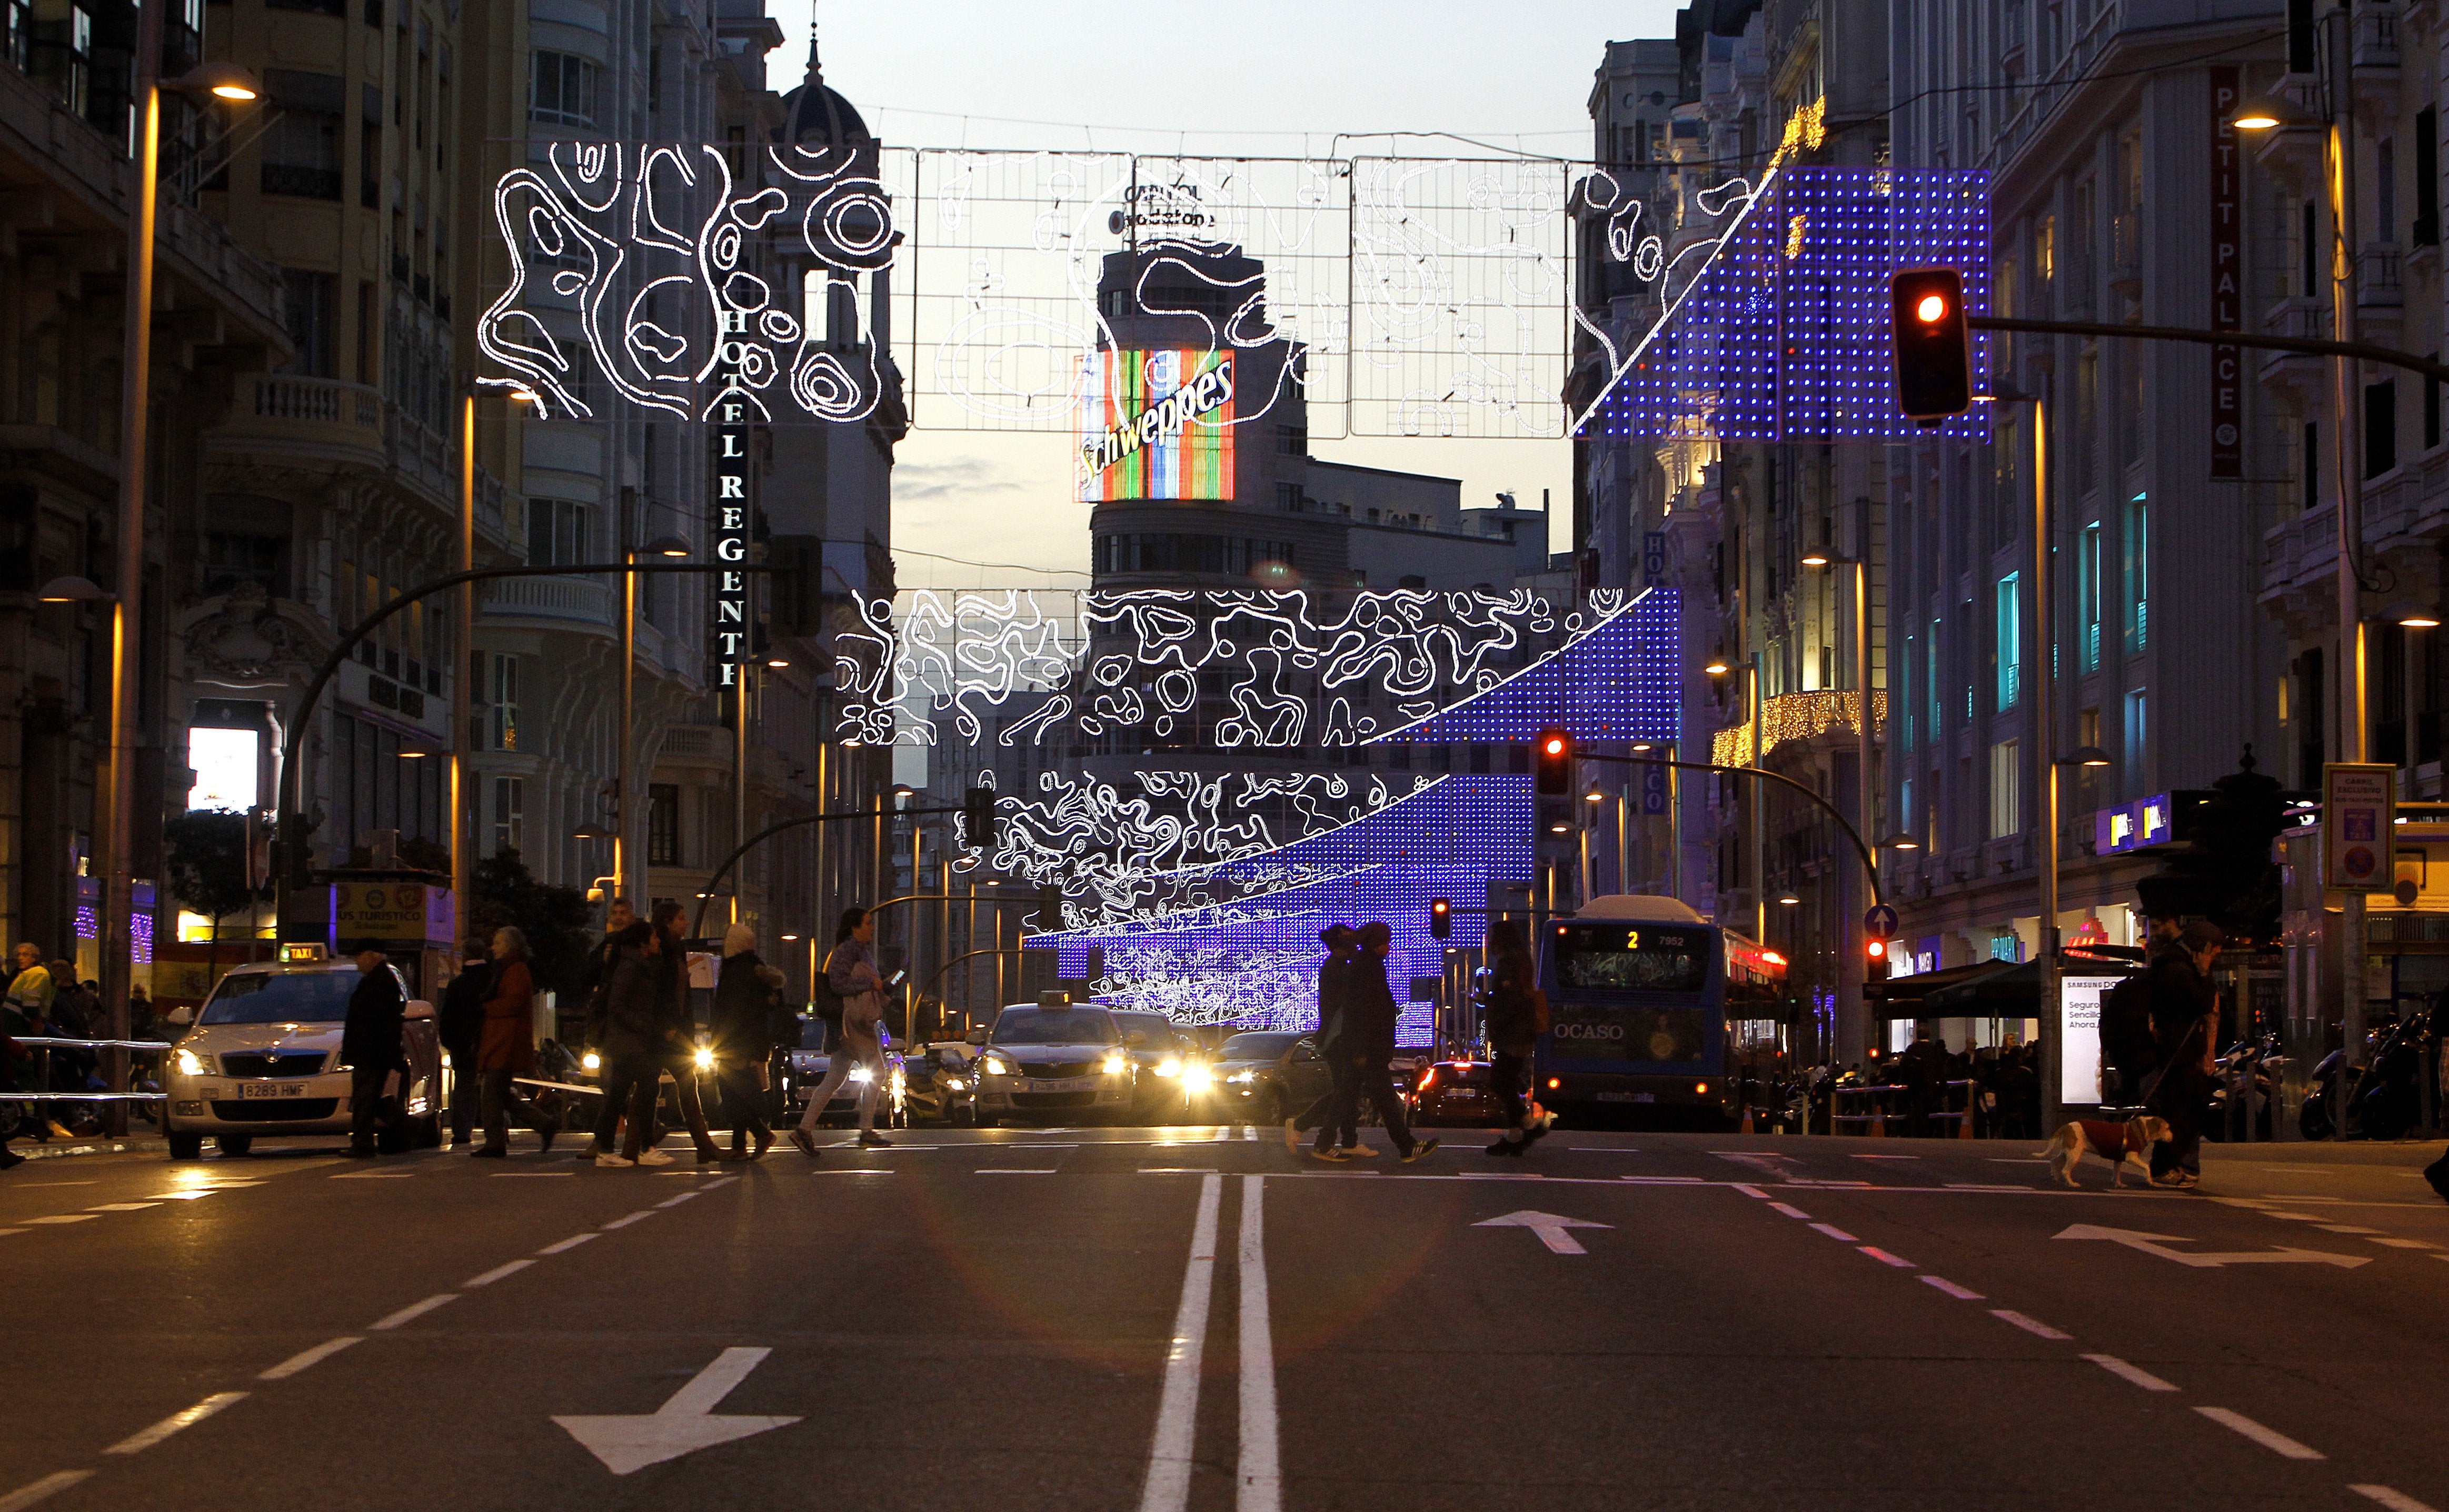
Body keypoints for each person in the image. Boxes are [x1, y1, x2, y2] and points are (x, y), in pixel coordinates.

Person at [1323, 922, 1438, 1164]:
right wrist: (1362, 1048)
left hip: (1366, 1045)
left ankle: (1324, 1141)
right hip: (1369, 1046)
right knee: (1381, 1097)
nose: (1388, 946)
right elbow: (1362, 1011)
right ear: (1376, 944)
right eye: (1384, 942)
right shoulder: (1367, 967)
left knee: (1348, 1093)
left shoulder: (1366, 964)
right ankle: (1406, 1146)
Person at [790, 907, 891, 1156]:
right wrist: (871, 983)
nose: (871, 927)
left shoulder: (859, 953)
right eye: (867, 923)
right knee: (878, 1071)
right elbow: (838, 983)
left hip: (850, 1026)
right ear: (854, 928)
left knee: (834, 1079)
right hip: (851, 1025)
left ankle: (804, 1130)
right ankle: (866, 1131)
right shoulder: (847, 952)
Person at [2144, 921, 2224, 1188]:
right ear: (2205, 948)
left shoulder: (2172, 966)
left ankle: (2176, 1165)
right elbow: (2203, 1002)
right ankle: (2164, 1167)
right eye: (2214, 953)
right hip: (2179, 1054)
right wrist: (2204, 973)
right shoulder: (2179, 971)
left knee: (2189, 1107)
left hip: (2180, 1052)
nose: (2213, 959)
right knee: (2181, 1111)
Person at [641, 901, 722, 1165]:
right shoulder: (662, 950)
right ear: (667, 922)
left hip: (674, 1030)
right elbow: (661, 992)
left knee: (675, 1086)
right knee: (655, 1087)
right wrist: (670, 1027)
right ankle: (700, 1144)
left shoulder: (676, 948)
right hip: (666, 1032)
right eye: (681, 918)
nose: (686, 923)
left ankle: (701, 1144)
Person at [583, 921, 662, 1167]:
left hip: (625, 1041)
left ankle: (606, 1150)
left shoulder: (635, 964)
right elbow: (616, 1005)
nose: (657, 941)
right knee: (649, 1084)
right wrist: (642, 1025)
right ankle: (646, 1148)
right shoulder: (631, 966)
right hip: (628, 1041)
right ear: (643, 942)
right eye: (654, 937)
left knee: (617, 1095)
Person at [474, 927, 559, 1158]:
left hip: (505, 1041)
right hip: (502, 1039)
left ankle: (496, 1142)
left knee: (492, 1093)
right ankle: (543, 1124)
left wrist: (486, 1008)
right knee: (499, 1094)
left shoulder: (515, 971)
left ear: (510, 945)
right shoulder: (509, 969)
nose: (494, 947)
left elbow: (513, 1004)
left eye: (498, 943)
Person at [1287, 926, 1367, 1157]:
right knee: (1345, 1091)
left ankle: (1349, 1141)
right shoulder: (1337, 969)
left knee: (1348, 1092)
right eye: (1349, 939)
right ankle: (1302, 1124)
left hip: (1338, 1037)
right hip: (1338, 1038)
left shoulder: (1338, 966)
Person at [710, 921, 782, 1161]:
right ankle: (739, 1144)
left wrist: (721, 1039)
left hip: (734, 1042)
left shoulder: (734, 970)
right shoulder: (756, 968)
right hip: (752, 1041)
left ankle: (760, 1133)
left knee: (733, 1092)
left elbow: (730, 1009)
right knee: (739, 1090)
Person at [1481, 920, 1547, 1157]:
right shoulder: (1520, 960)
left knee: (1500, 1081)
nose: (1488, 942)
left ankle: (1528, 1125)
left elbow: (1512, 999)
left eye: (1491, 937)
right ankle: (1516, 1134)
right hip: (1520, 1030)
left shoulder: (1510, 963)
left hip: (1514, 1032)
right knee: (1505, 1081)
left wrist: (1491, 1002)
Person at [340, 950, 407, 1158]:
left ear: (371, 957)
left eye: (359, 956)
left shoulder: (379, 983)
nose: (356, 961)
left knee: (365, 1099)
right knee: (367, 1099)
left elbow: (383, 1022)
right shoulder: (378, 981)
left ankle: (364, 1142)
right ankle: (399, 1127)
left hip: (370, 1053)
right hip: (371, 1052)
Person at [436, 938, 493, 1145]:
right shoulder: (493, 979)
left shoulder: (458, 984)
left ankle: (462, 1131)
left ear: (466, 956)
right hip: (492, 1041)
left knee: (464, 1087)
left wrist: (450, 1041)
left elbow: (448, 1017)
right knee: (494, 1087)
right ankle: (499, 1127)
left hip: (463, 1044)